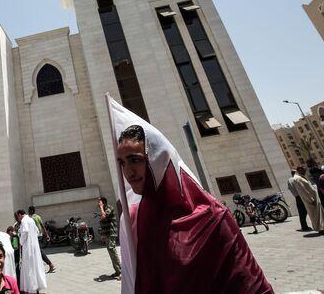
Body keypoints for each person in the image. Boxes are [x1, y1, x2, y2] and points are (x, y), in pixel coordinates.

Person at [111, 99, 272, 293]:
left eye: (135, 160)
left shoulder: (212, 215)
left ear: (158, 160)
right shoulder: (132, 220)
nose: (128, 172)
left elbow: (248, 283)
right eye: (121, 163)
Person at [15, 209, 46, 293]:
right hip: (34, 246)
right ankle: (36, 287)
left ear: (20, 215)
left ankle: (31, 287)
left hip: (28, 247)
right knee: (35, 266)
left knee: (29, 267)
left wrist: (21, 241)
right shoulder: (31, 219)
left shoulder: (24, 220)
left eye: (18, 217)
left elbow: (25, 232)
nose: (18, 219)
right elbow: (37, 231)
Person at [292, 166, 324, 233]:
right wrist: (311, 200)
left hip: (314, 199)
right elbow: (303, 191)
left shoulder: (300, 177)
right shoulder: (298, 179)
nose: (305, 171)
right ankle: (320, 229)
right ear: (299, 170)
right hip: (312, 201)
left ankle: (321, 227)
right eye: (304, 170)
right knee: (316, 216)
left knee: (318, 215)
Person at [98, 197, 121, 280]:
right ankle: (118, 271)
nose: (98, 204)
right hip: (107, 234)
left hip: (111, 233)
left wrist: (101, 207)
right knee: (111, 252)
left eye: (99, 202)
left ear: (103, 202)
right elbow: (102, 223)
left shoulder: (109, 208)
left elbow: (104, 216)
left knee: (112, 251)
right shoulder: (103, 210)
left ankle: (121, 272)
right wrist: (102, 235)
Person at [27, 206, 55, 273]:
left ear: (31, 211)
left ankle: (50, 264)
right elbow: (43, 226)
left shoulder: (31, 218)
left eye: (29, 210)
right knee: (37, 252)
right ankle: (41, 267)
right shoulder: (38, 217)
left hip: (35, 237)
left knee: (39, 251)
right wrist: (47, 235)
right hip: (40, 236)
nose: (28, 211)